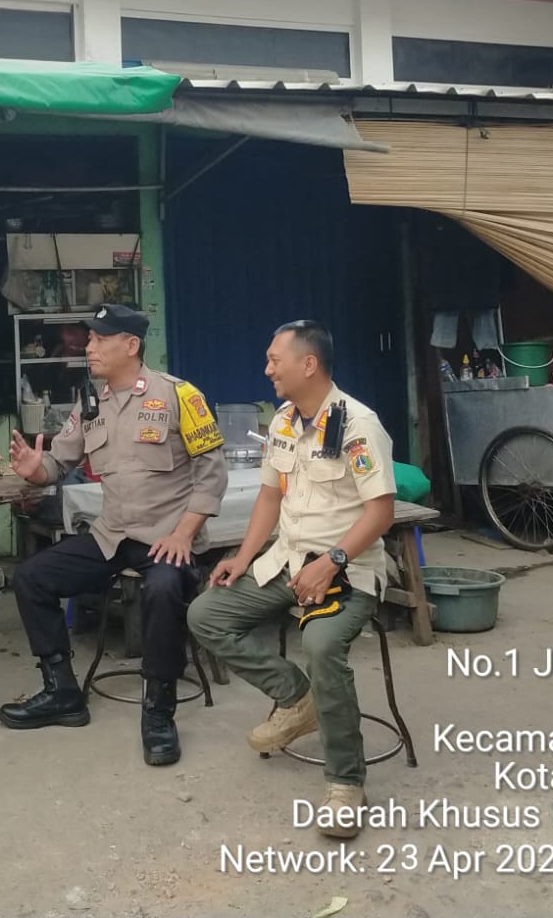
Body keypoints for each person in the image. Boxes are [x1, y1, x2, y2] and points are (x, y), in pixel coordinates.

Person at [188, 321, 397, 841]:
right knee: (206, 614)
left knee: (322, 642)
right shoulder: (282, 420)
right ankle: (298, 699)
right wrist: (243, 556)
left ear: (308, 364)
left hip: (346, 569)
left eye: (274, 358)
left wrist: (333, 561)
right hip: (285, 563)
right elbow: (269, 497)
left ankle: (346, 784)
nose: (267, 369)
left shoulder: (357, 425)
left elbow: (382, 511)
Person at [0, 304, 229, 766]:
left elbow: (212, 475)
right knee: (31, 577)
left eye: (100, 339)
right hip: (112, 537)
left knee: (163, 588)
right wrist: (35, 470)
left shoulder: (180, 396)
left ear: (131, 345)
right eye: (89, 339)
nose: (89, 347)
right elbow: (56, 463)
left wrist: (186, 534)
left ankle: (158, 711)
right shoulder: (90, 405)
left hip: (168, 537)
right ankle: (61, 691)